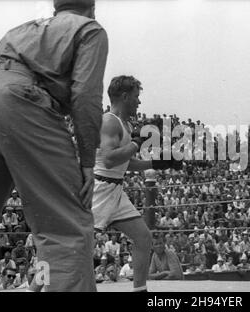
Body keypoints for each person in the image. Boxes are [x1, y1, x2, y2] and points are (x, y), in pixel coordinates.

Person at [0, 0, 108, 292]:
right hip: (20, 99)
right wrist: (86, 161)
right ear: (92, 8)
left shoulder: (21, 29)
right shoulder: (89, 29)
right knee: (65, 226)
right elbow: (86, 95)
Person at [91, 75, 182, 292]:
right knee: (69, 246)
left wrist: (158, 163)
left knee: (143, 237)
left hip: (116, 191)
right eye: (135, 97)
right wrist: (136, 142)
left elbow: (126, 163)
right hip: (98, 191)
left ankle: (140, 290)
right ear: (124, 96)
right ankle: (33, 289)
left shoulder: (125, 124)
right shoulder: (109, 121)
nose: (139, 102)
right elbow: (110, 158)